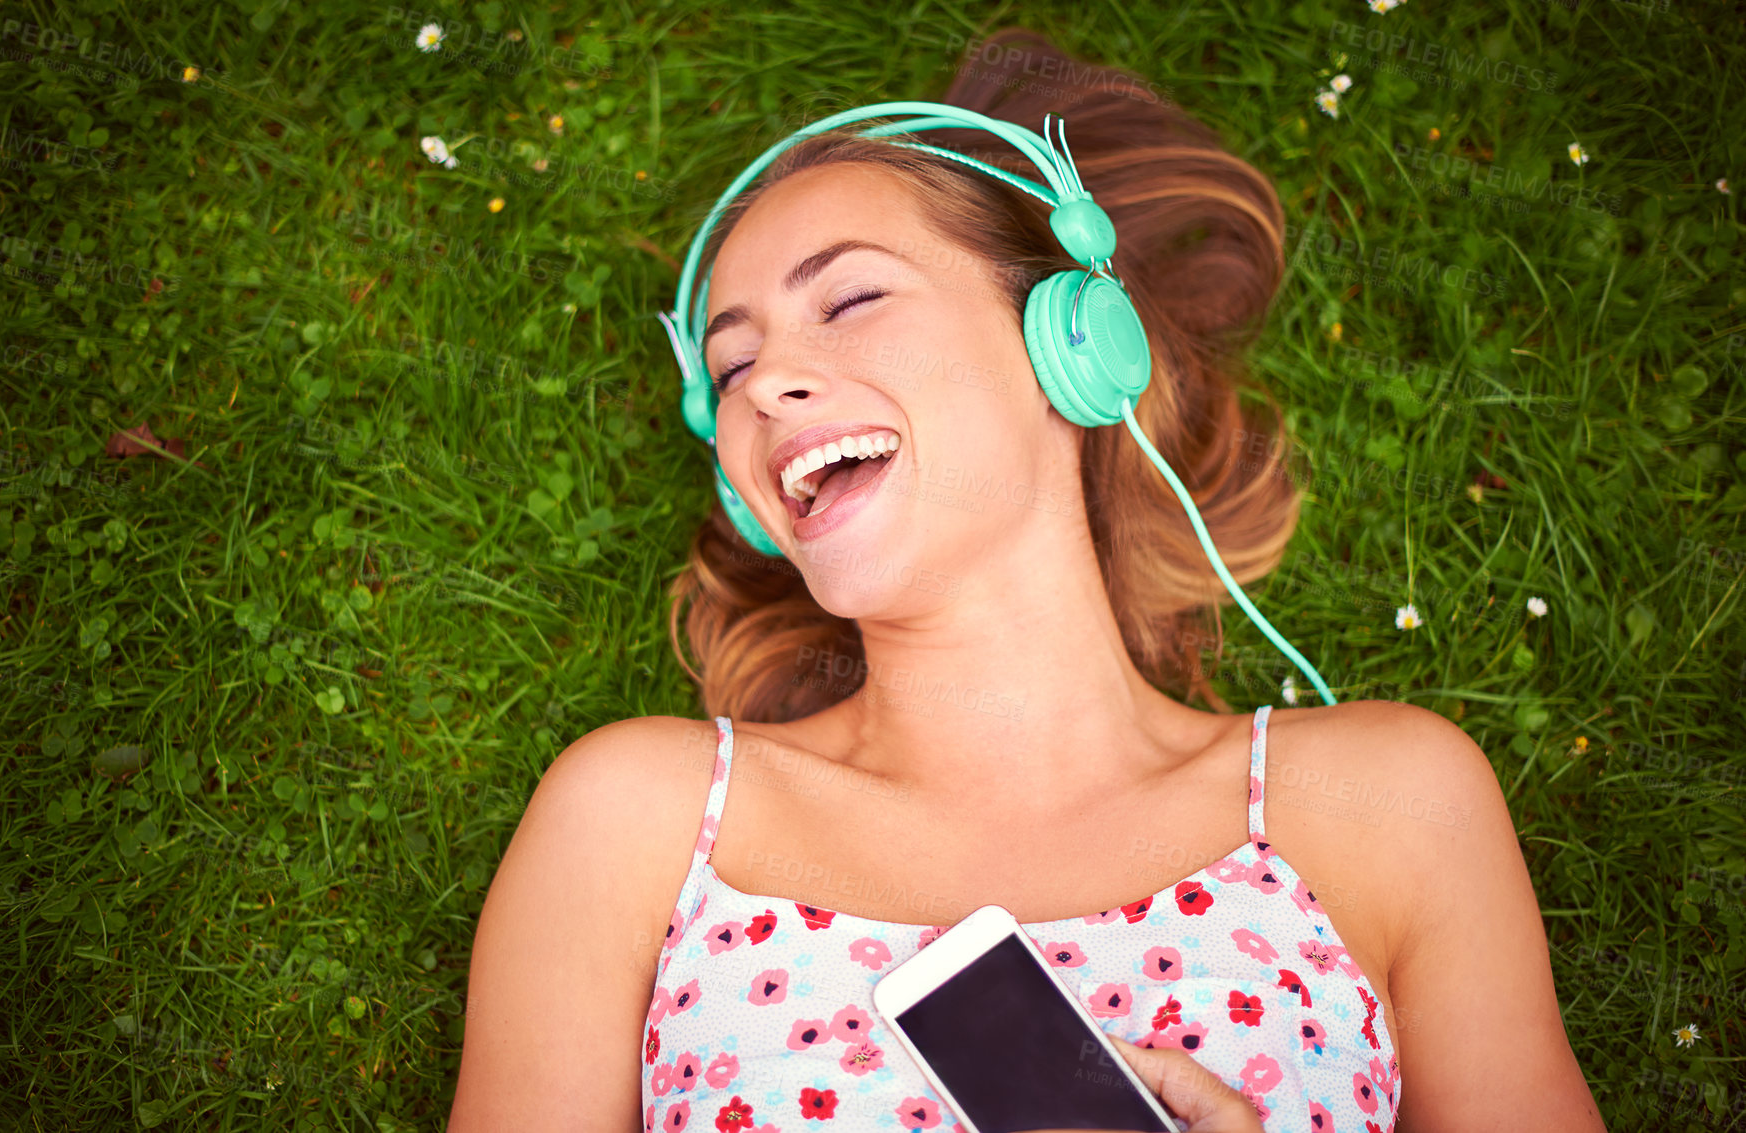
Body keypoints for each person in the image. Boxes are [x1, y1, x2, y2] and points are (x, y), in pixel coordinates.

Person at [447, 28, 1605, 1133]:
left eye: (849, 300)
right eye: (732, 364)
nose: (764, 385)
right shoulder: (636, 820)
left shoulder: (1387, 804)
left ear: (1066, 344)